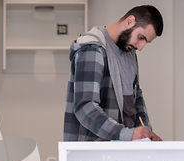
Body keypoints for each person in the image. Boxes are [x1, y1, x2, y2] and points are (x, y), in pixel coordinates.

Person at [64, 5, 164, 142]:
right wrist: (127, 135)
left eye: (146, 42)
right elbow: (85, 108)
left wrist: (145, 133)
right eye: (141, 37)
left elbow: (136, 98)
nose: (140, 47)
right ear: (130, 21)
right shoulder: (92, 49)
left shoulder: (129, 53)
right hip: (92, 154)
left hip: (121, 151)